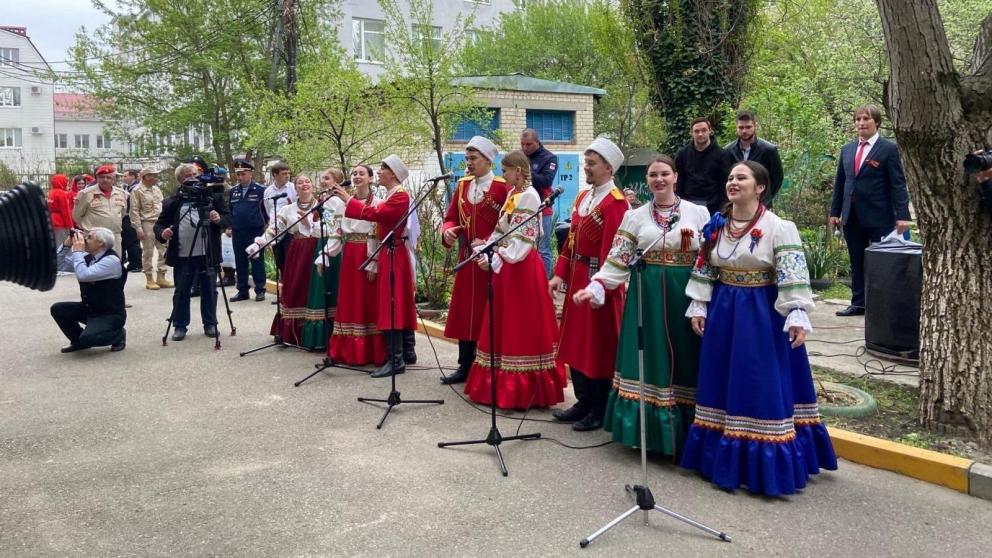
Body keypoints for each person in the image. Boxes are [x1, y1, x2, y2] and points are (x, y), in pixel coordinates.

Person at [681, 160, 837, 496]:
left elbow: (791, 272)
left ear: (760, 187)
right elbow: (705, 267)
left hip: (761, 314)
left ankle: (764, 467)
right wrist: (699, 303)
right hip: (724, 311)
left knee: (759, 381)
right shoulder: (716, 225)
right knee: (722, 379)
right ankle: (721, 459)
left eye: (741, 177)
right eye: (730, 177)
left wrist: (796, 312)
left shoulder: (778, 227)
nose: (733, 182)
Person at [573, 155, 709, 455]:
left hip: (684, 295)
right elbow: (618, 258)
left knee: (685, 358)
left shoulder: (697, 213)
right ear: (646, 181)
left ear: (675, 176)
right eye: (652, 175)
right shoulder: (634, 217)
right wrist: (597, 285)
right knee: (651, 358)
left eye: (664, 174)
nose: (658, 180)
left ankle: (688, 434)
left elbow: (706, 259)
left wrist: (703, 299)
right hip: (645, 296)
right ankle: (650, 435)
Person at [463, 150, 566, 409]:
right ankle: (501, 384)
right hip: (508, 265)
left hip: (521, 266)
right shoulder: (513, 194)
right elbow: (501, 230)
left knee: (521, 325)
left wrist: (498, 257)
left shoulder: (530, 197)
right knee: (503, 322)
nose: (503, 175)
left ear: (518, 171)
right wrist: (487, 248)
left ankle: (525, 388)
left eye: (506, 170)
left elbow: (523, 240)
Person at [549, 138, 630, 431]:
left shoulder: (616, 203)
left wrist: (601, 285)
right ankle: (582, 400)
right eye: (586, 162)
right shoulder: (584, 198)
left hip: (599, 281)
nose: (586, 167)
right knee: (574, 341)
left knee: (597, 345)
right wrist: (560, 273)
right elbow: (570, 241)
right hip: (577, 277)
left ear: (609, 168)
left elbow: (614, 250)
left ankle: (599, 407)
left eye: (592, 163)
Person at [332, 155, 416, 378]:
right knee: (389, 303)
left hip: (394, 253)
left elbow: (378, 214)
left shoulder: (400, 196)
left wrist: (349, 201)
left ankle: (397, 359)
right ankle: (397, 356)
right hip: (388, 252)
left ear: (394, 174)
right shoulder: (392, 194)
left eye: (383, 169)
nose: (379, 172)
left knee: (392, 304)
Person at [439, 136, 511, 385]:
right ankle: (464, 364)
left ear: (488, 160)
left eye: (473, 158)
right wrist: (448, 230)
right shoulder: (462, 185)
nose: (468, 163)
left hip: (492, 261)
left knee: (486, 311)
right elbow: (450, 217)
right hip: (467, 259)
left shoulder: (503, 187)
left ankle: (487, 366)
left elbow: (510, 225)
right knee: (464, 311)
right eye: (466, 158)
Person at [829, 105, 911, 317]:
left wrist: (902, 215)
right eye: (858, 119)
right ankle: (858, 303)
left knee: (881, 263)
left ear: (877, 122)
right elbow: (841, 183)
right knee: (857, 261)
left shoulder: (888, 149)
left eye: (866, 119)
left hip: (880, 216)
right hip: (852, 216)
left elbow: (898, 184)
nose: (861, 123)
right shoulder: (847, 150)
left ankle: (882, 305)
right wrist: (835, 211)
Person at [316, 164, 386, 366]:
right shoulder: (340, 205)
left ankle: (371, 352)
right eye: (354, 173)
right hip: (350, 255)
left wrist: (373, 262)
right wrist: (325, 255)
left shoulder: (379, 203)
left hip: (368, 253)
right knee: (349, 300)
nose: (356, 176)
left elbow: (377, 235)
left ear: (371, 178)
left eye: (361, 174)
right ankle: (347, 350)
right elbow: (336, 232)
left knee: (368, 301)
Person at [155, 163, 229, 341]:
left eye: (195, 174)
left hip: (208, 253)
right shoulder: (172, 201)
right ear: (180, 180)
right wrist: (163, 233)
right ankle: (180, 325)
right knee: (181, 290)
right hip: (182, 254)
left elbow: (228, 217)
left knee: (209, 289)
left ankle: (210, 323)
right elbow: (159, 225)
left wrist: (219, 219)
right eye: (188, 175)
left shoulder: (212, 197)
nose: (193, 178)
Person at [247, 173, 322, 348]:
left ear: (313, 185)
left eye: (307, 181)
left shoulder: (321, 205)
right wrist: (259, 243)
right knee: (294, 286)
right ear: (295, 188)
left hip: (317, 249)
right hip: (297, 250)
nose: (304, 184)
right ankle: (291, 333)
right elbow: (274, 229)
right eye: (300, 182)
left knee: (314, 289)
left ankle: (314, 336)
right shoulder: (287, 209)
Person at [50, 227, 127, 353]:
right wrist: (66, 245)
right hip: (91, 308)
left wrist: (77, 252)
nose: (85, 240)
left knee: (88, 338)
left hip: (110, 314)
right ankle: (78, 342)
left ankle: (118, 334)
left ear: (100, 243)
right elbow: (58, 264)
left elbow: (83, 275)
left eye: (89, 237)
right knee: (58, 309)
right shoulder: (88, 257)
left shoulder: (111, 260)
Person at [226, 159, 269, 302]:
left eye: (243, 174)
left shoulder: (261, 190)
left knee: (257, 261)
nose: (240, 177)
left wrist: (266, 228)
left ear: (250, 174)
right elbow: (230, 211)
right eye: (238, 174)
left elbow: (266, 210)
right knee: (240, 262)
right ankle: (243, 290)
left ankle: (260, 290)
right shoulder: (233, 191)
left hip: (255, 231)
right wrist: (229, 226)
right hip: (238, 231)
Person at [674, 117, 735, 215]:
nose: (700, 134)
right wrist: (679, 205)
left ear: (710, 131)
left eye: (704, 130)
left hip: (714, 208)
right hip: (687, 206)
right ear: (691, 133)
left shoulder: (722, 155)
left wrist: (723, 210)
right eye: (696, 131)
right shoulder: (682, 154)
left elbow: (725, 184)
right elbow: (678, 182)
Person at [724, 111, 784, 207]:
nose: (744, 131)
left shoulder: (769, 150)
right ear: (736, 128)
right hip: (736, 204)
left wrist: (764, 199)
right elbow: (725, 177)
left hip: (761, 204)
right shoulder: (729, 150)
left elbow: (777, 178)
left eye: (748, 127)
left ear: (755, 126)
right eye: (741, 127)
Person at [521, 128, 558, 278]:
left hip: (543, 209)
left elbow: (546, 181)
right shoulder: (520, 155)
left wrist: (526, 172)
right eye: (522, 144)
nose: (525, 148)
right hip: (522, 207)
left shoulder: (550, 158)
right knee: (523, 246)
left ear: (537, 142)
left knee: (543, 249)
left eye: (529, 144)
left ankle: (544, 284)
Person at [130, 167, 173, 290]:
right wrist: (138, 228)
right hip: (147, 222)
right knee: (148, 252)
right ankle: (149, 278)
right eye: (153, 175)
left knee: (164, 249)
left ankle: (161, 276)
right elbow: (134, 211)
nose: (156, 177)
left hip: (159, 222)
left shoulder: (156, 189)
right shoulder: (137, 191)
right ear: (146, 177)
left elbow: (162, 206)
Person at [72, 164, 129, 253]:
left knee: (114, 263)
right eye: (101, 177)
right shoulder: (86, 194)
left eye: (108, 177)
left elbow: (122, 213)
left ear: (114, 179)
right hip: (95, 239)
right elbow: (77, 215)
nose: (105, 180)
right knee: (94, 264)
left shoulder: (122, 194)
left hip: (115, 236)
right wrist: (89, 228)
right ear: (97, 178)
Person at [264, 161, 297, 273]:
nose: (287, 175)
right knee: (280, 262)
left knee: (291, 262)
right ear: (275, 175)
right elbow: (268, 210)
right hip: (275, 231)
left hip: (289, 231)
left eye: (288, 173)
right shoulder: (268, 191)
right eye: (284, 173)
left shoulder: (293, 188)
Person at [121, 169, 143, 272]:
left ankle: (137, 264)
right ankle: (131, 262)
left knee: (133, 242)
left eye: (125, 176)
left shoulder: (137, 188)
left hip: (133, 217)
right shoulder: (125, 187)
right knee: (127, 241)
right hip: (125, 217)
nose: (123, 178)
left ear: (133, 177)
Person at [47, 174, 73, 247]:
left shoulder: (51, 192)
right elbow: (65, 212)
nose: (66, 183)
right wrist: (71, 226)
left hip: (52, 220)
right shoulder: (61, 193)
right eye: (66, 181)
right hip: (60, 222)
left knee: (55, 242)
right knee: (62, 244)